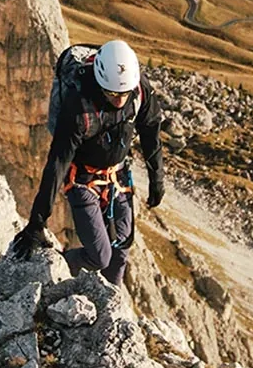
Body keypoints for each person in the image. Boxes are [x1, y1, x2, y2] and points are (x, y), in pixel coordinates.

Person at [14, 39, 164, 285]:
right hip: (82, 179)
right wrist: (37, 223)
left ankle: (109, 303)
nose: (119, 101)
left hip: (118, 175)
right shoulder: (78, 105)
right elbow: (58, 163)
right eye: (112, 94)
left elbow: (151, 131)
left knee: (121, 249)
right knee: (100, 256)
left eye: (123, 95)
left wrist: (156, 178)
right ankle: (55, 270)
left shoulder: (138, 89)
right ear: (100, 83)